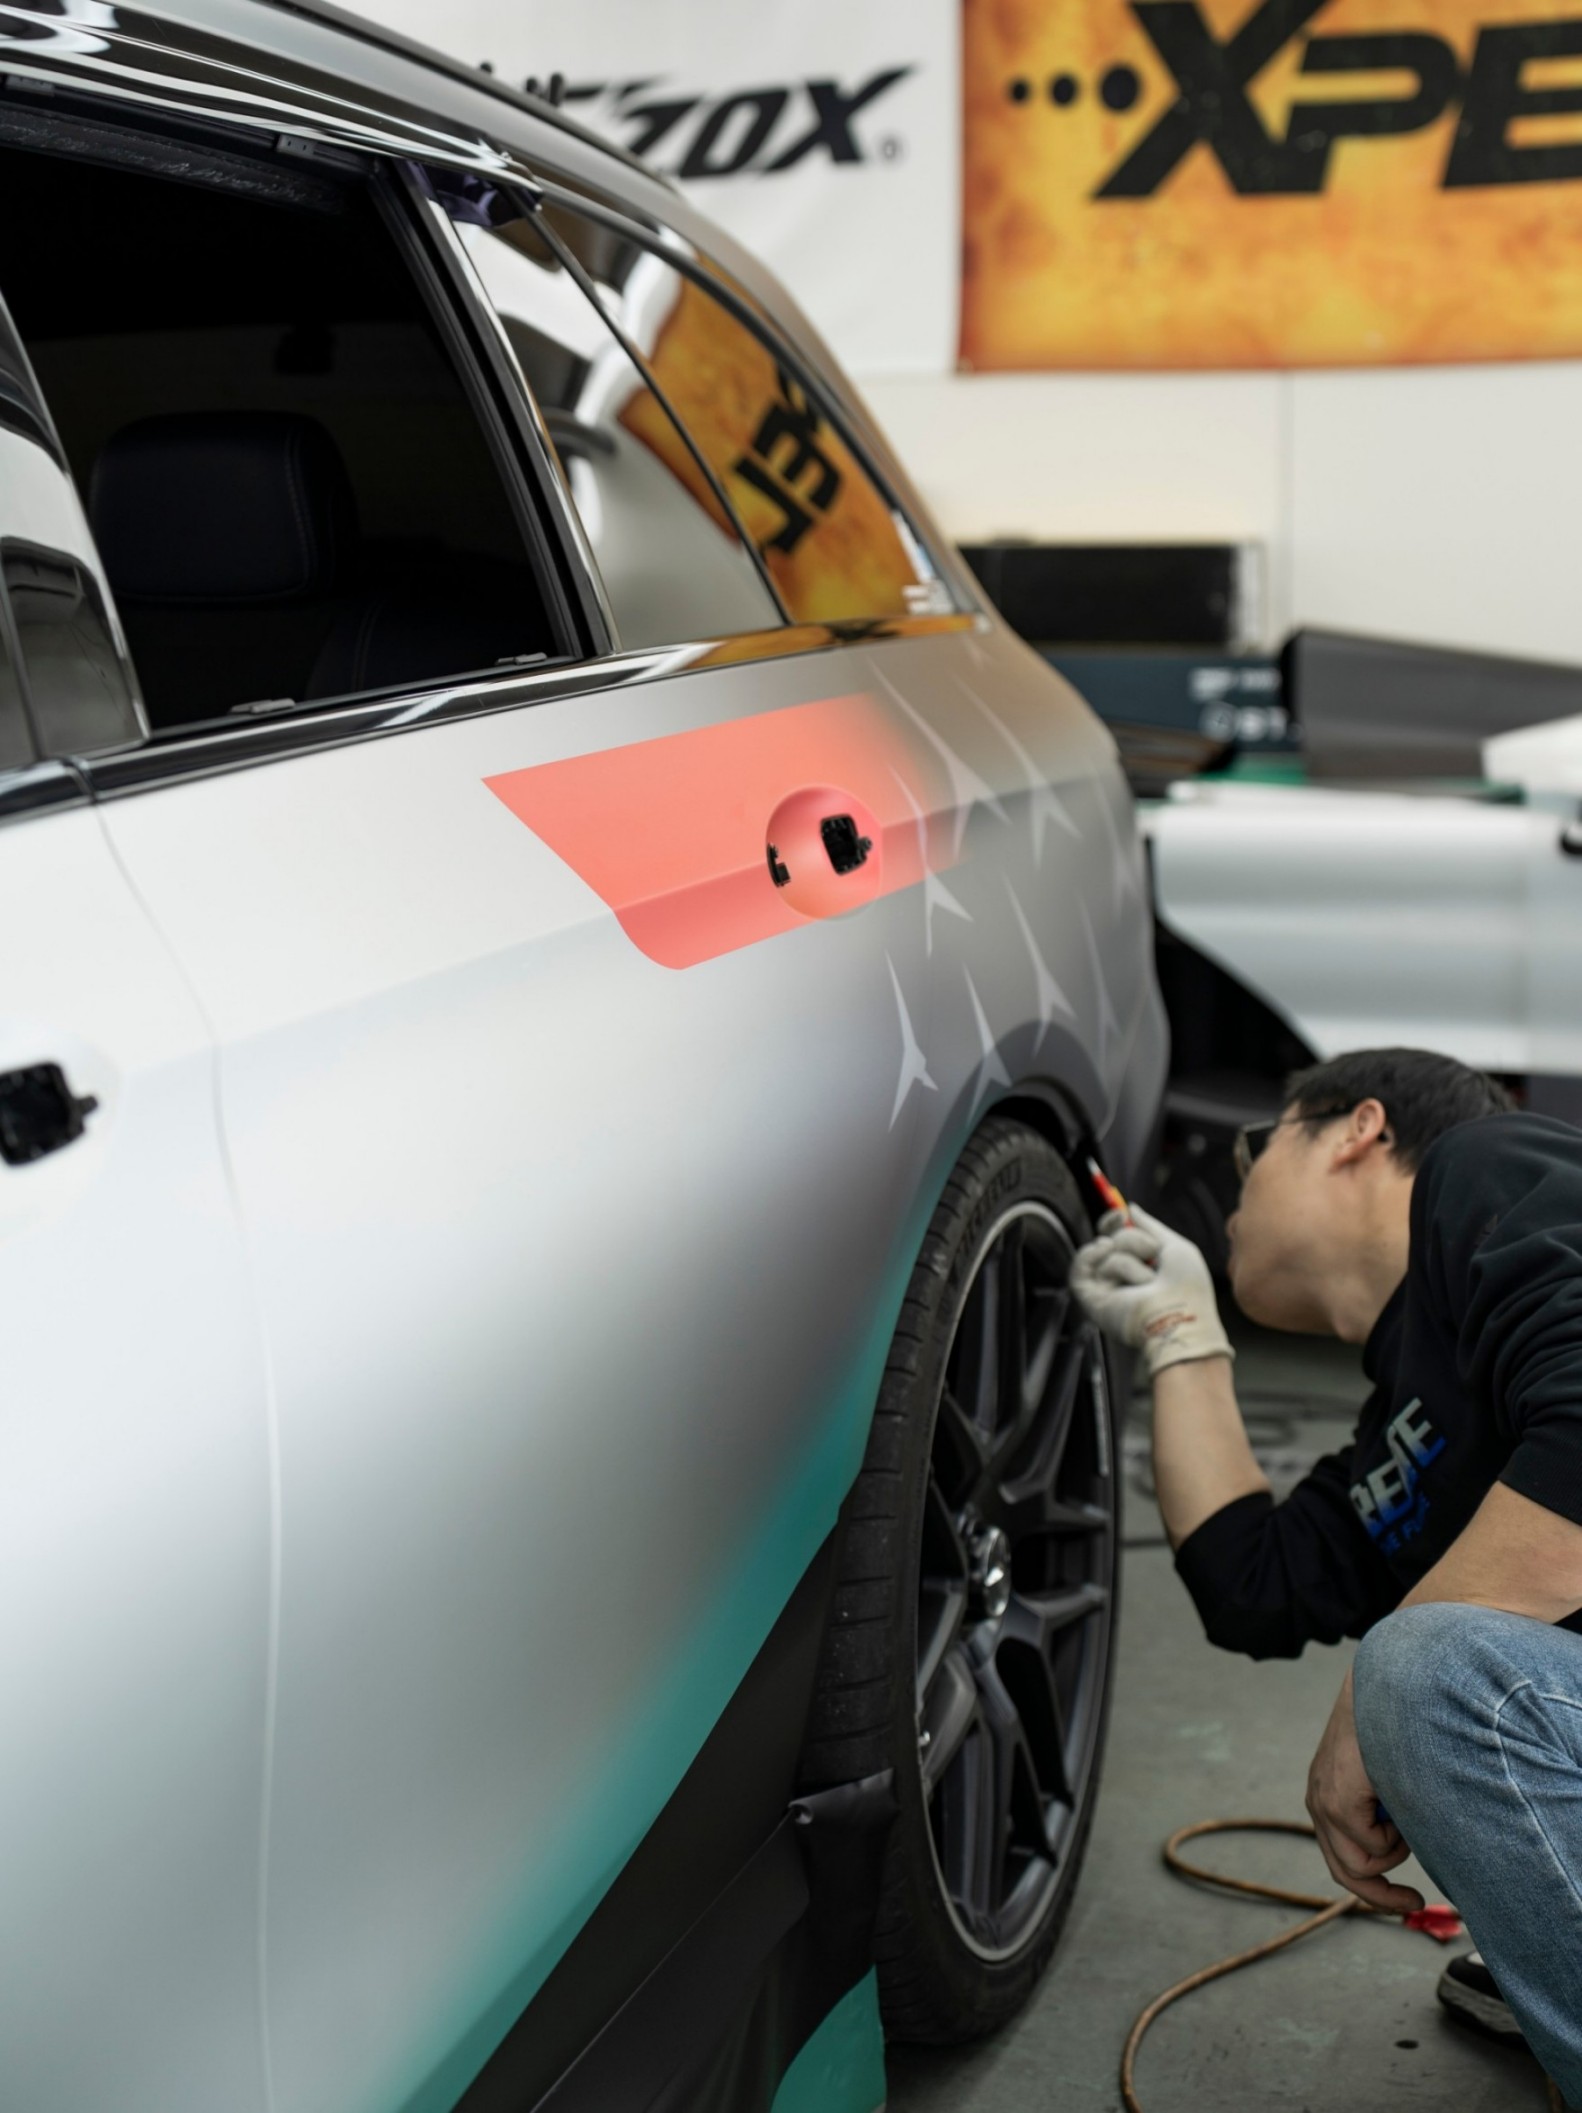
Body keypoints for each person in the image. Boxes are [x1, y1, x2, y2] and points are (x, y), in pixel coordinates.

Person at [1070, 1048, 1582, 2101]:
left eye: (1252, 1152)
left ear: (1358, 1129)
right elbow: (1254, 1583)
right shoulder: (1412, 1428)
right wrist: (1181, 1337)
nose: (1232, 1198)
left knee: (1423, 1670)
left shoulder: (1488, 1167)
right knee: (1420, 1666)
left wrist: (1373, 1693)